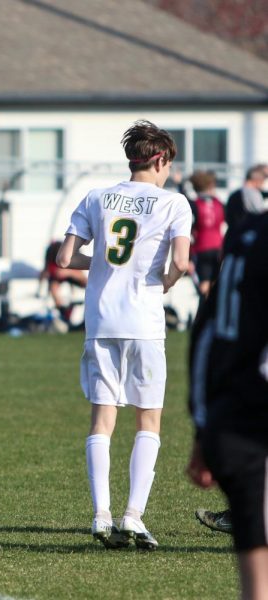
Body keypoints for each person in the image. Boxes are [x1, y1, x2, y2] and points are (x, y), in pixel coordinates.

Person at [56, 120, 192, 550]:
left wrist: (102, 266)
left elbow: (65, 257)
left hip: (101, 323)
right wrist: (165, 279)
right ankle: (133, 516)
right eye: (169, 163)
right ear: (159, 159)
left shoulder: (96, 197)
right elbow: (182, 262)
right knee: (148, 419)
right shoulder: (173, 203)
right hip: (144, 324)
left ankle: (100, 515)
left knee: (102, 419)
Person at [187, 212, 268, 599]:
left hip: (236, 417)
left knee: (256, 566)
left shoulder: (247, 232)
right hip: (247, 416)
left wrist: (203, 426)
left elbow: (207, 332)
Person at [187, 170, 225, 299]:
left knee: (204, 286)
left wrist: (189, 257)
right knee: (215, 286)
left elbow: (190, 230)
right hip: (219, 248)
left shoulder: (194, 204)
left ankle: (204, 314)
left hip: (202, 248)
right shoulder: (218, 203)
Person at [37, 240, 87, 327]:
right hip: (57, 278)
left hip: (72, 275)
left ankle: (79, 317)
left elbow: (82, 277)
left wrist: (68, 272)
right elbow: (46, 271)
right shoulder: (52, 255)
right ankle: (64, 313)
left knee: (87, 284)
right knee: (53, 286)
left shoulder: (73, 252)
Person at [225, 164, 267, 237]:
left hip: (232, 234)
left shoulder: (235, 194)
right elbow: (260, 214)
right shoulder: (253, 193)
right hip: (245, 235)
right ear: (257, 181)